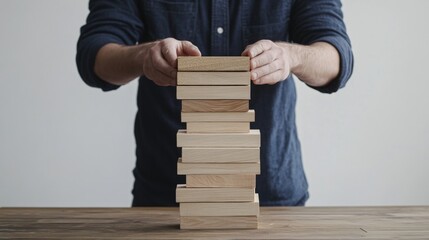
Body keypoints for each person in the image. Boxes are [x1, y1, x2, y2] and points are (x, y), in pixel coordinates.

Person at [76, 0, 353, 206]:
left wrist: (290, 56)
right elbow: (94, 54)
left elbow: (336, 57)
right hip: (165, 198)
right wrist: (144, 56)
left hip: (271, 198)